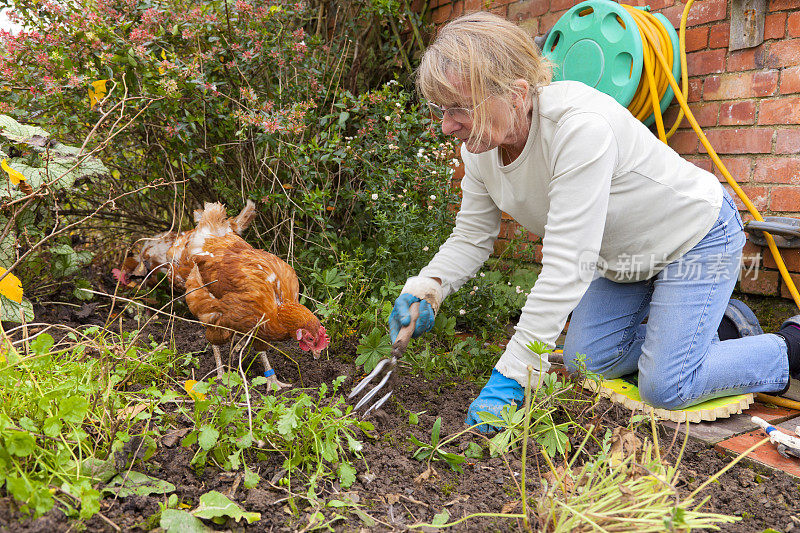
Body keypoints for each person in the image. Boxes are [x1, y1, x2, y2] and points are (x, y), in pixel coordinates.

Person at [388, 11, 800, 431]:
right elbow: (472, 236)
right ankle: (719, 328)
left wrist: (514, 372)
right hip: (623, 258)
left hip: (693, 236)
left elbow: (568, 264)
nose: (446, 126)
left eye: (459, 109)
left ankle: (790, 345)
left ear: (516, 93)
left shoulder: (579, 127)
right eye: (442, 109)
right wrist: (431, 286)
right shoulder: (478, 149)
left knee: (667, 386)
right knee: (586, 363)